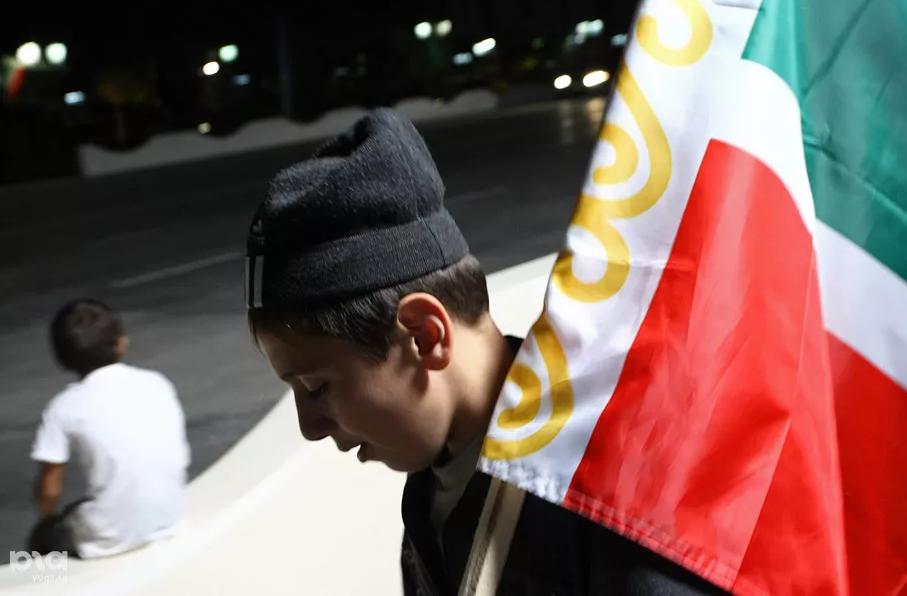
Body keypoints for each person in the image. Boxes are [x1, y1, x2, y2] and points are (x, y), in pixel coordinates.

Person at [245, 109, 726, 595]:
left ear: (424, 337)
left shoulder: (612, 487)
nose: (309, 427)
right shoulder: (431, 487)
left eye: (316, 387)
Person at [29, 300, 190, 559]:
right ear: (122, 344)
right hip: (170, 516)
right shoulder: (157, 383)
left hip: (110, 536)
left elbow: (49, 490)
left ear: (62, 359)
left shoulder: (64, 406)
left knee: (48, 534)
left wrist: (45, 519)